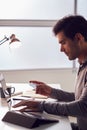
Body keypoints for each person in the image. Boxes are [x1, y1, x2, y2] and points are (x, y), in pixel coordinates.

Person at [13, 15, 87, 130]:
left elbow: (82, 107)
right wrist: (52, 92)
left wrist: (41, 105)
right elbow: (80, 98)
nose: (61, 49)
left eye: (63, 43)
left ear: (78, 38)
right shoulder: (82, 64)